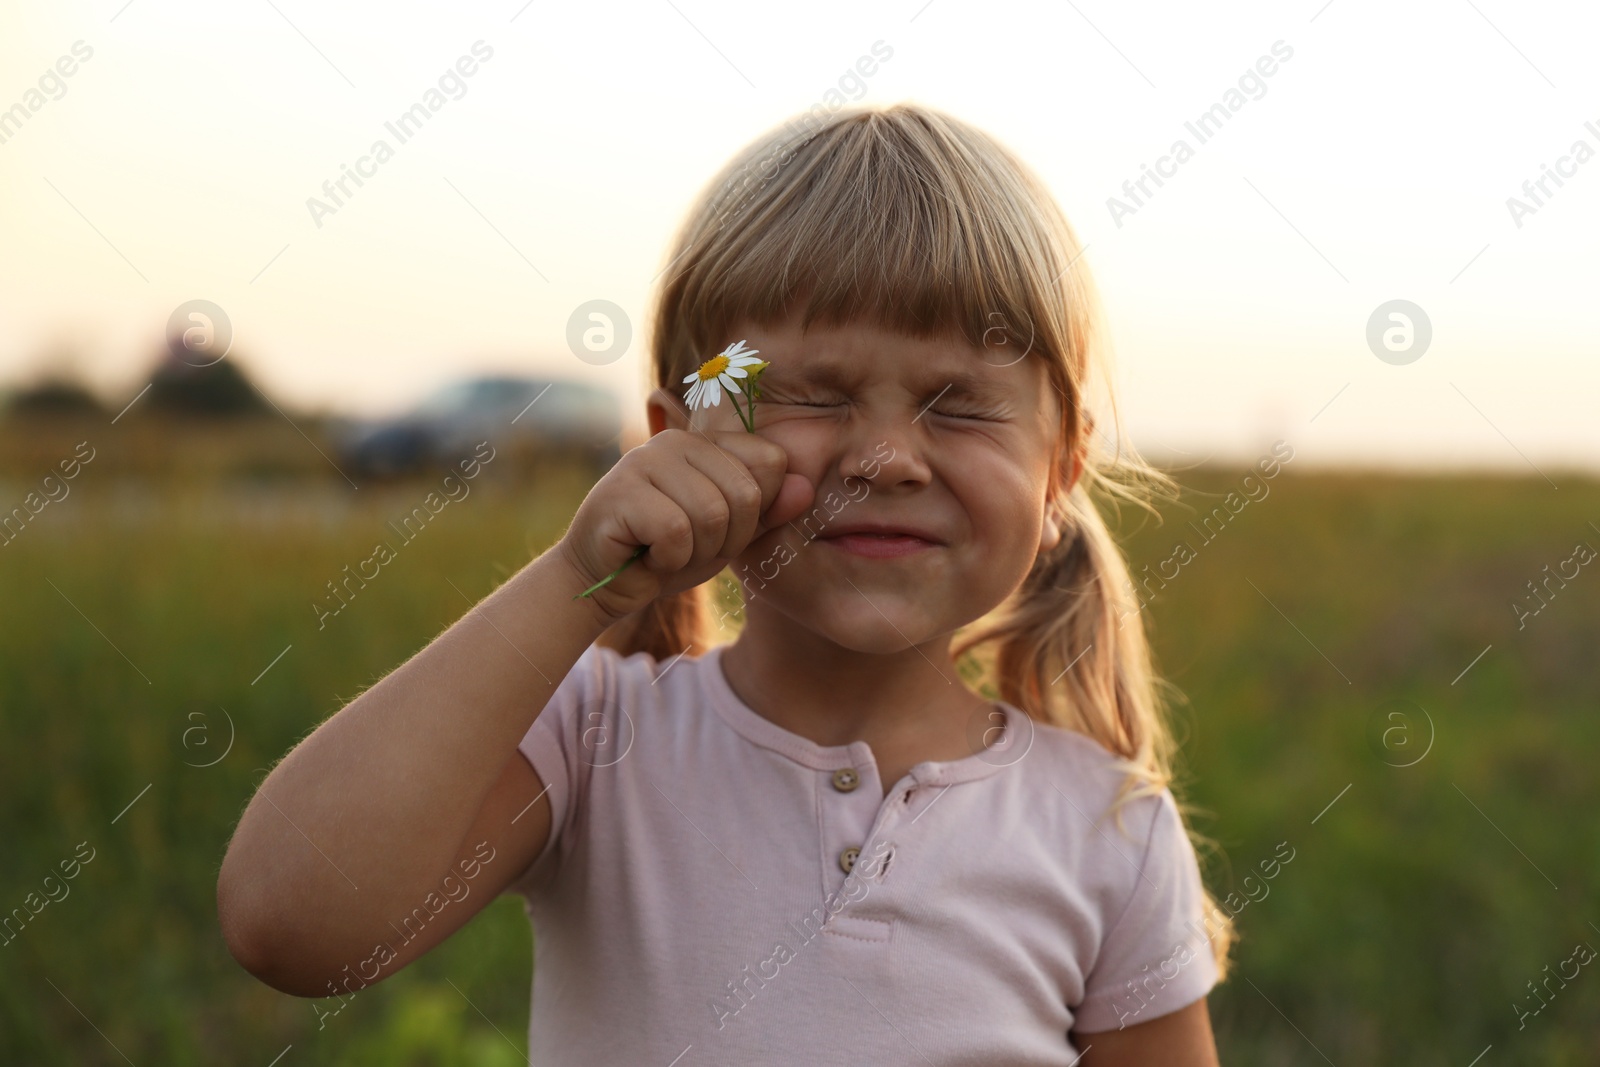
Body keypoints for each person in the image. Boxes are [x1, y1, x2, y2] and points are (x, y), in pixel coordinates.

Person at [218, 102, 1237, 1065]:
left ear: (1060, 467)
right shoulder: (595, 742)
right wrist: (580, 579)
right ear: (678, 440)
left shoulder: (1109, 829)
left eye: (960, 406)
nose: (886, 457)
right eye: (808, 394)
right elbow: (289, 923)